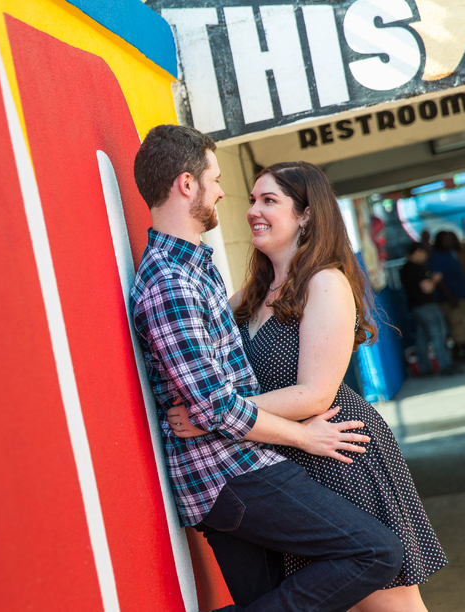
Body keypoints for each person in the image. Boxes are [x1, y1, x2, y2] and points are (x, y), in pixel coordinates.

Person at [130, 125, 403, 612]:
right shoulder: (173, 283)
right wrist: (303, 437)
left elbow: (233, 398)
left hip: (265, 457)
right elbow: (214, 406)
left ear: (304, 216)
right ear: (187, 185)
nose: (226, 194)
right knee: (374, 552)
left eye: (267, 200)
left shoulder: (202, 269)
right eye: (216, 180)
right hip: (231, 470)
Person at [173, 161, 446, 612]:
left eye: (269, 201)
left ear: (305, 215)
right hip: (292, 459)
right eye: (253, 199)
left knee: (386, 604)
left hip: (342, 452)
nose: (253, 210)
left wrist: (214, 415)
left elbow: (315, 393)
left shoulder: (325, 283)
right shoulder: (252, 293)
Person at [400, 243, 461, 376]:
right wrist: (435, 279)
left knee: (422, 339)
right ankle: (445, 366)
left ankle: (424, 368)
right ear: (417, 252)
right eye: (424, 253)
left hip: (416, 308)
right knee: (438, 335)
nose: (425, 257)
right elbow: (427, 288)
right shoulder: (416, 268)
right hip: (427, 307)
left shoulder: (405, 269)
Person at [428, 231, 465, 359]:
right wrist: (450, 297)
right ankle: (462, 352)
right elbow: (438, 280)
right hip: (450, 299)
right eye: (444, 240)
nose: (447, 242)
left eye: (449, 239)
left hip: (462, 294)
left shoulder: (452, 253)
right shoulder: (437, 257)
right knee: (457, 327)